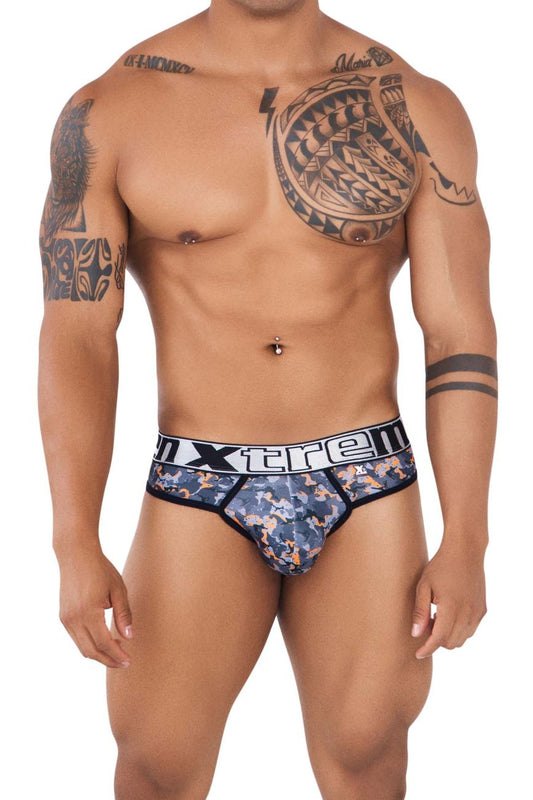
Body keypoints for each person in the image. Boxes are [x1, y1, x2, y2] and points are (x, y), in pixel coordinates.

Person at [38, 1, 497, 797]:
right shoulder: (113, 109)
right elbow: (77, 336)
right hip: (200, 478)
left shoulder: (414, 104)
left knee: (365, 754)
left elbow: (456, 330)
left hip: (365, 475)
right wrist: (72, 540)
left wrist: (468, 539)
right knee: (157, 763)